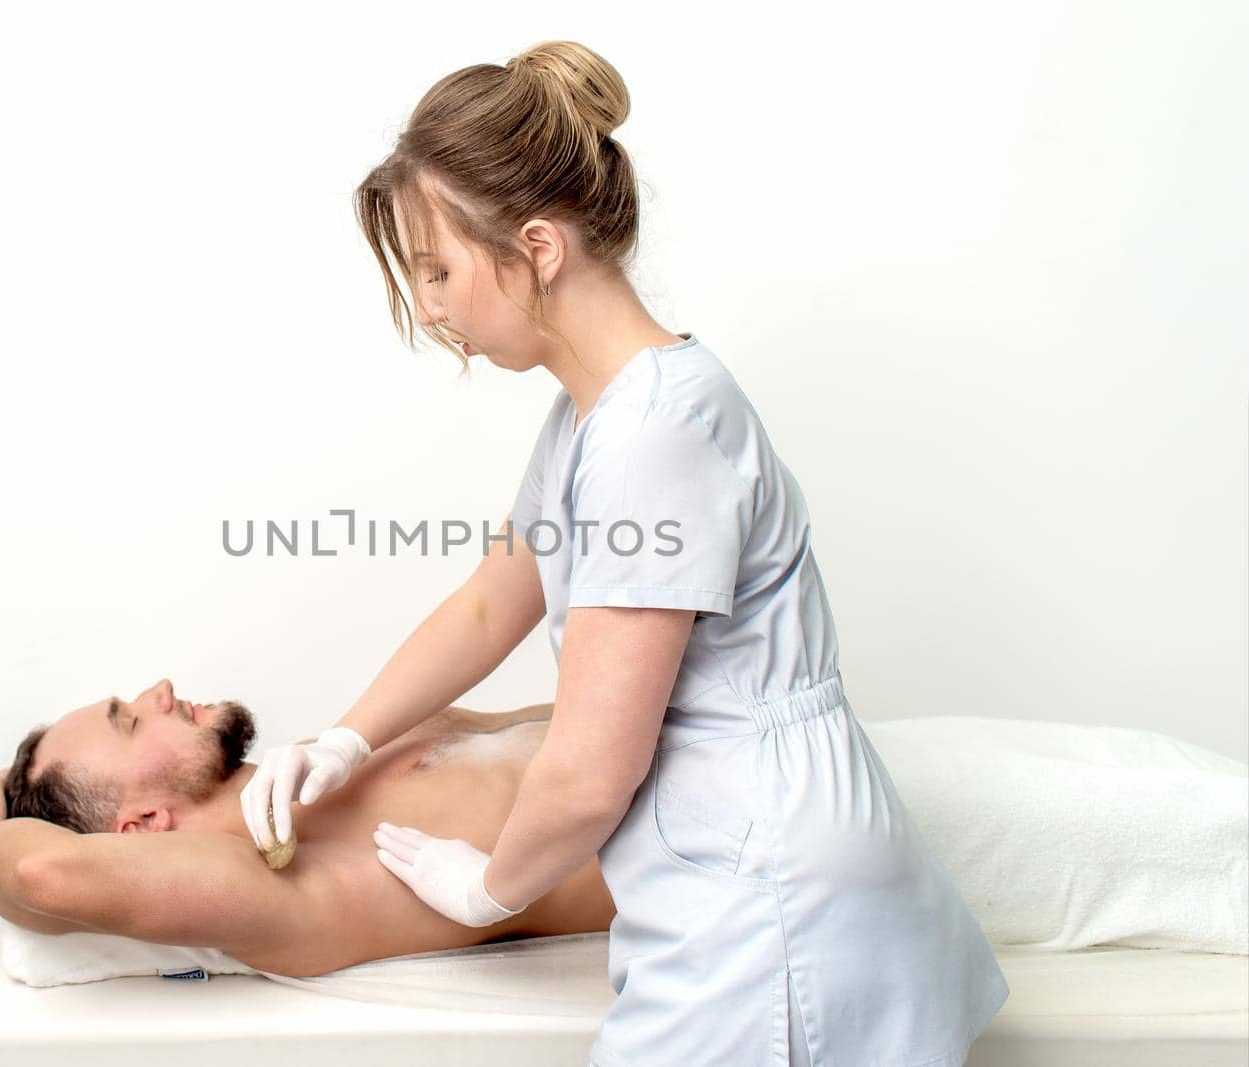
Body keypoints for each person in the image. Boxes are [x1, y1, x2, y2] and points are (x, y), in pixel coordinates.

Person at [241, 40, 1010, 1067]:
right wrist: (342, 739)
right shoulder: (600, 416)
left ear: (538, 248)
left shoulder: (654, 435)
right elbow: (488, 603)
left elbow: (593, 767)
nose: (430, 307)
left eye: (439, 269)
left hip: (774, 899)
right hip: (751, 869)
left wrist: (487, 886)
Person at [0, 677, 615, 978]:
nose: (158, 689)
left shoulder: (318, 761)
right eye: (129, 720)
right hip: (707, 842)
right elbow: (37, 872)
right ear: (143, 826)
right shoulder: (275, 889)